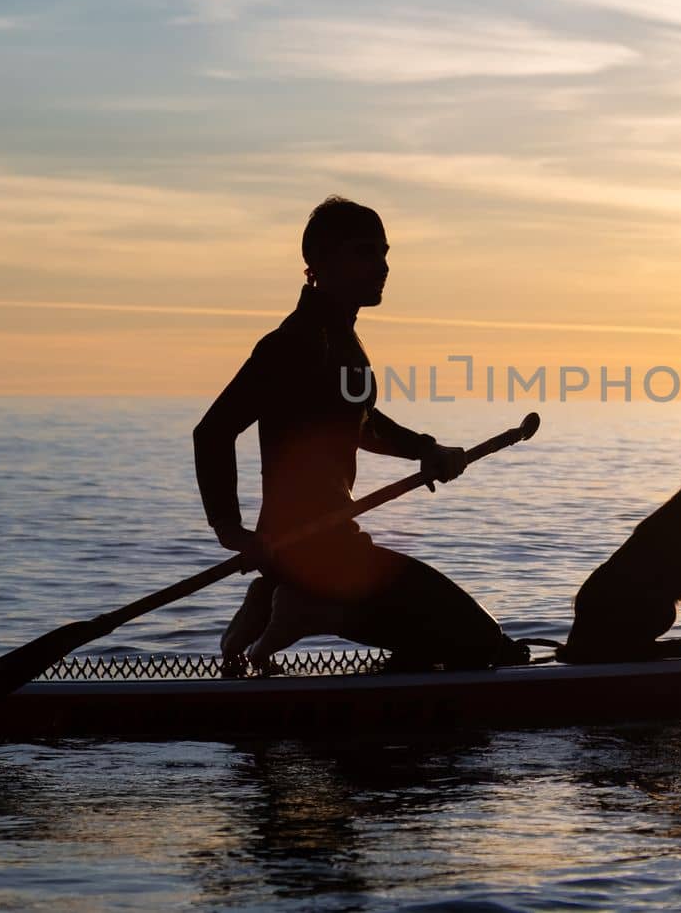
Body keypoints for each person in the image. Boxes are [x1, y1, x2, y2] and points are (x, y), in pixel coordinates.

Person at [194, 195, 527, 673]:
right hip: (321, 550)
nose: (383, 266)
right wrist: (230, 531)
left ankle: (275, 597)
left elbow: (362, 424)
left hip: (304, 550)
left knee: (442, 647)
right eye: (365, 252)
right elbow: (213, 432)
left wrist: (425, 450)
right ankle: (308, 609)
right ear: (320, 263)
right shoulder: (293, 344)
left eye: (385, 252)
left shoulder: (340, 341)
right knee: (482, 645)